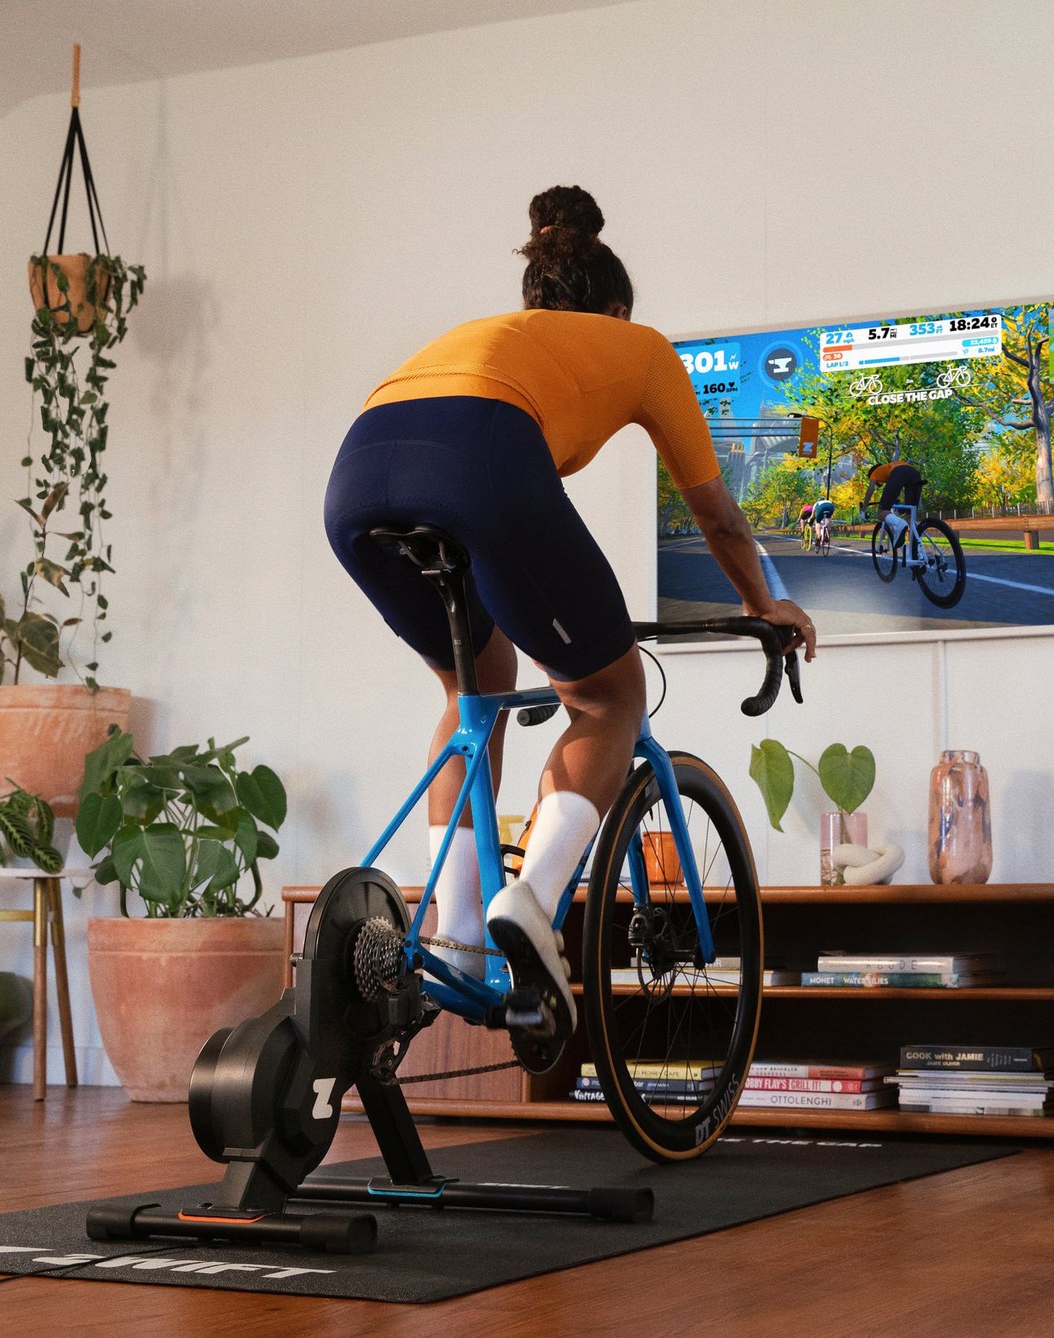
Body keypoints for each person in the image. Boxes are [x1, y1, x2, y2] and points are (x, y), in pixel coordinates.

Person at [324, 186, 816, 1040]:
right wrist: (762, 604)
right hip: (479, 457)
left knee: (472, 685)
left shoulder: (496, 336)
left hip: (356, 478)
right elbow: (718, 515)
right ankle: (533, 901)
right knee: (607, 698)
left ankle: (461, 927)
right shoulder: (641, 346)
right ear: (618, 308)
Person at [865, 459, 924, 531]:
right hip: (915, 474)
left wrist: (864, 508)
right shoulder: (890, 467)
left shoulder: (874, 473)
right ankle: (918, 541)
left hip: (898, 473)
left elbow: (870, 489)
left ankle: (900, 524)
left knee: (881, 512)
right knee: (910, 517)